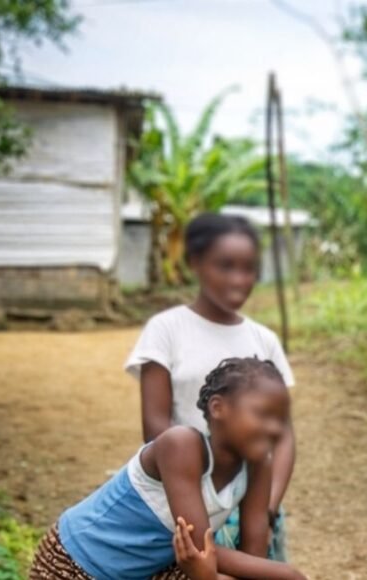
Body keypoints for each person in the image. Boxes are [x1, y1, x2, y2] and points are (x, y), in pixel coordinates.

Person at [29, 357, 308, 580]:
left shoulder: (259, 466)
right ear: (218, 407)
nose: (274, 428)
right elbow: (199, 549)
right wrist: (289, 574)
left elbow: (252, 558)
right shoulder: (181, 445)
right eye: (262, 414)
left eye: (280, 419)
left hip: (154, 566)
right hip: (78, 563)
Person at [125, 213, 295, 560]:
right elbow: (156, 426)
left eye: (248, 269)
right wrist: (204, 499)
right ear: (195, 263)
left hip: (252, 498)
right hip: (185, 497)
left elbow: (284, 434)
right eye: (225, 266)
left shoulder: (264, 340)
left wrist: (267, 505)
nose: (239, 279)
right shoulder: (167, 329)